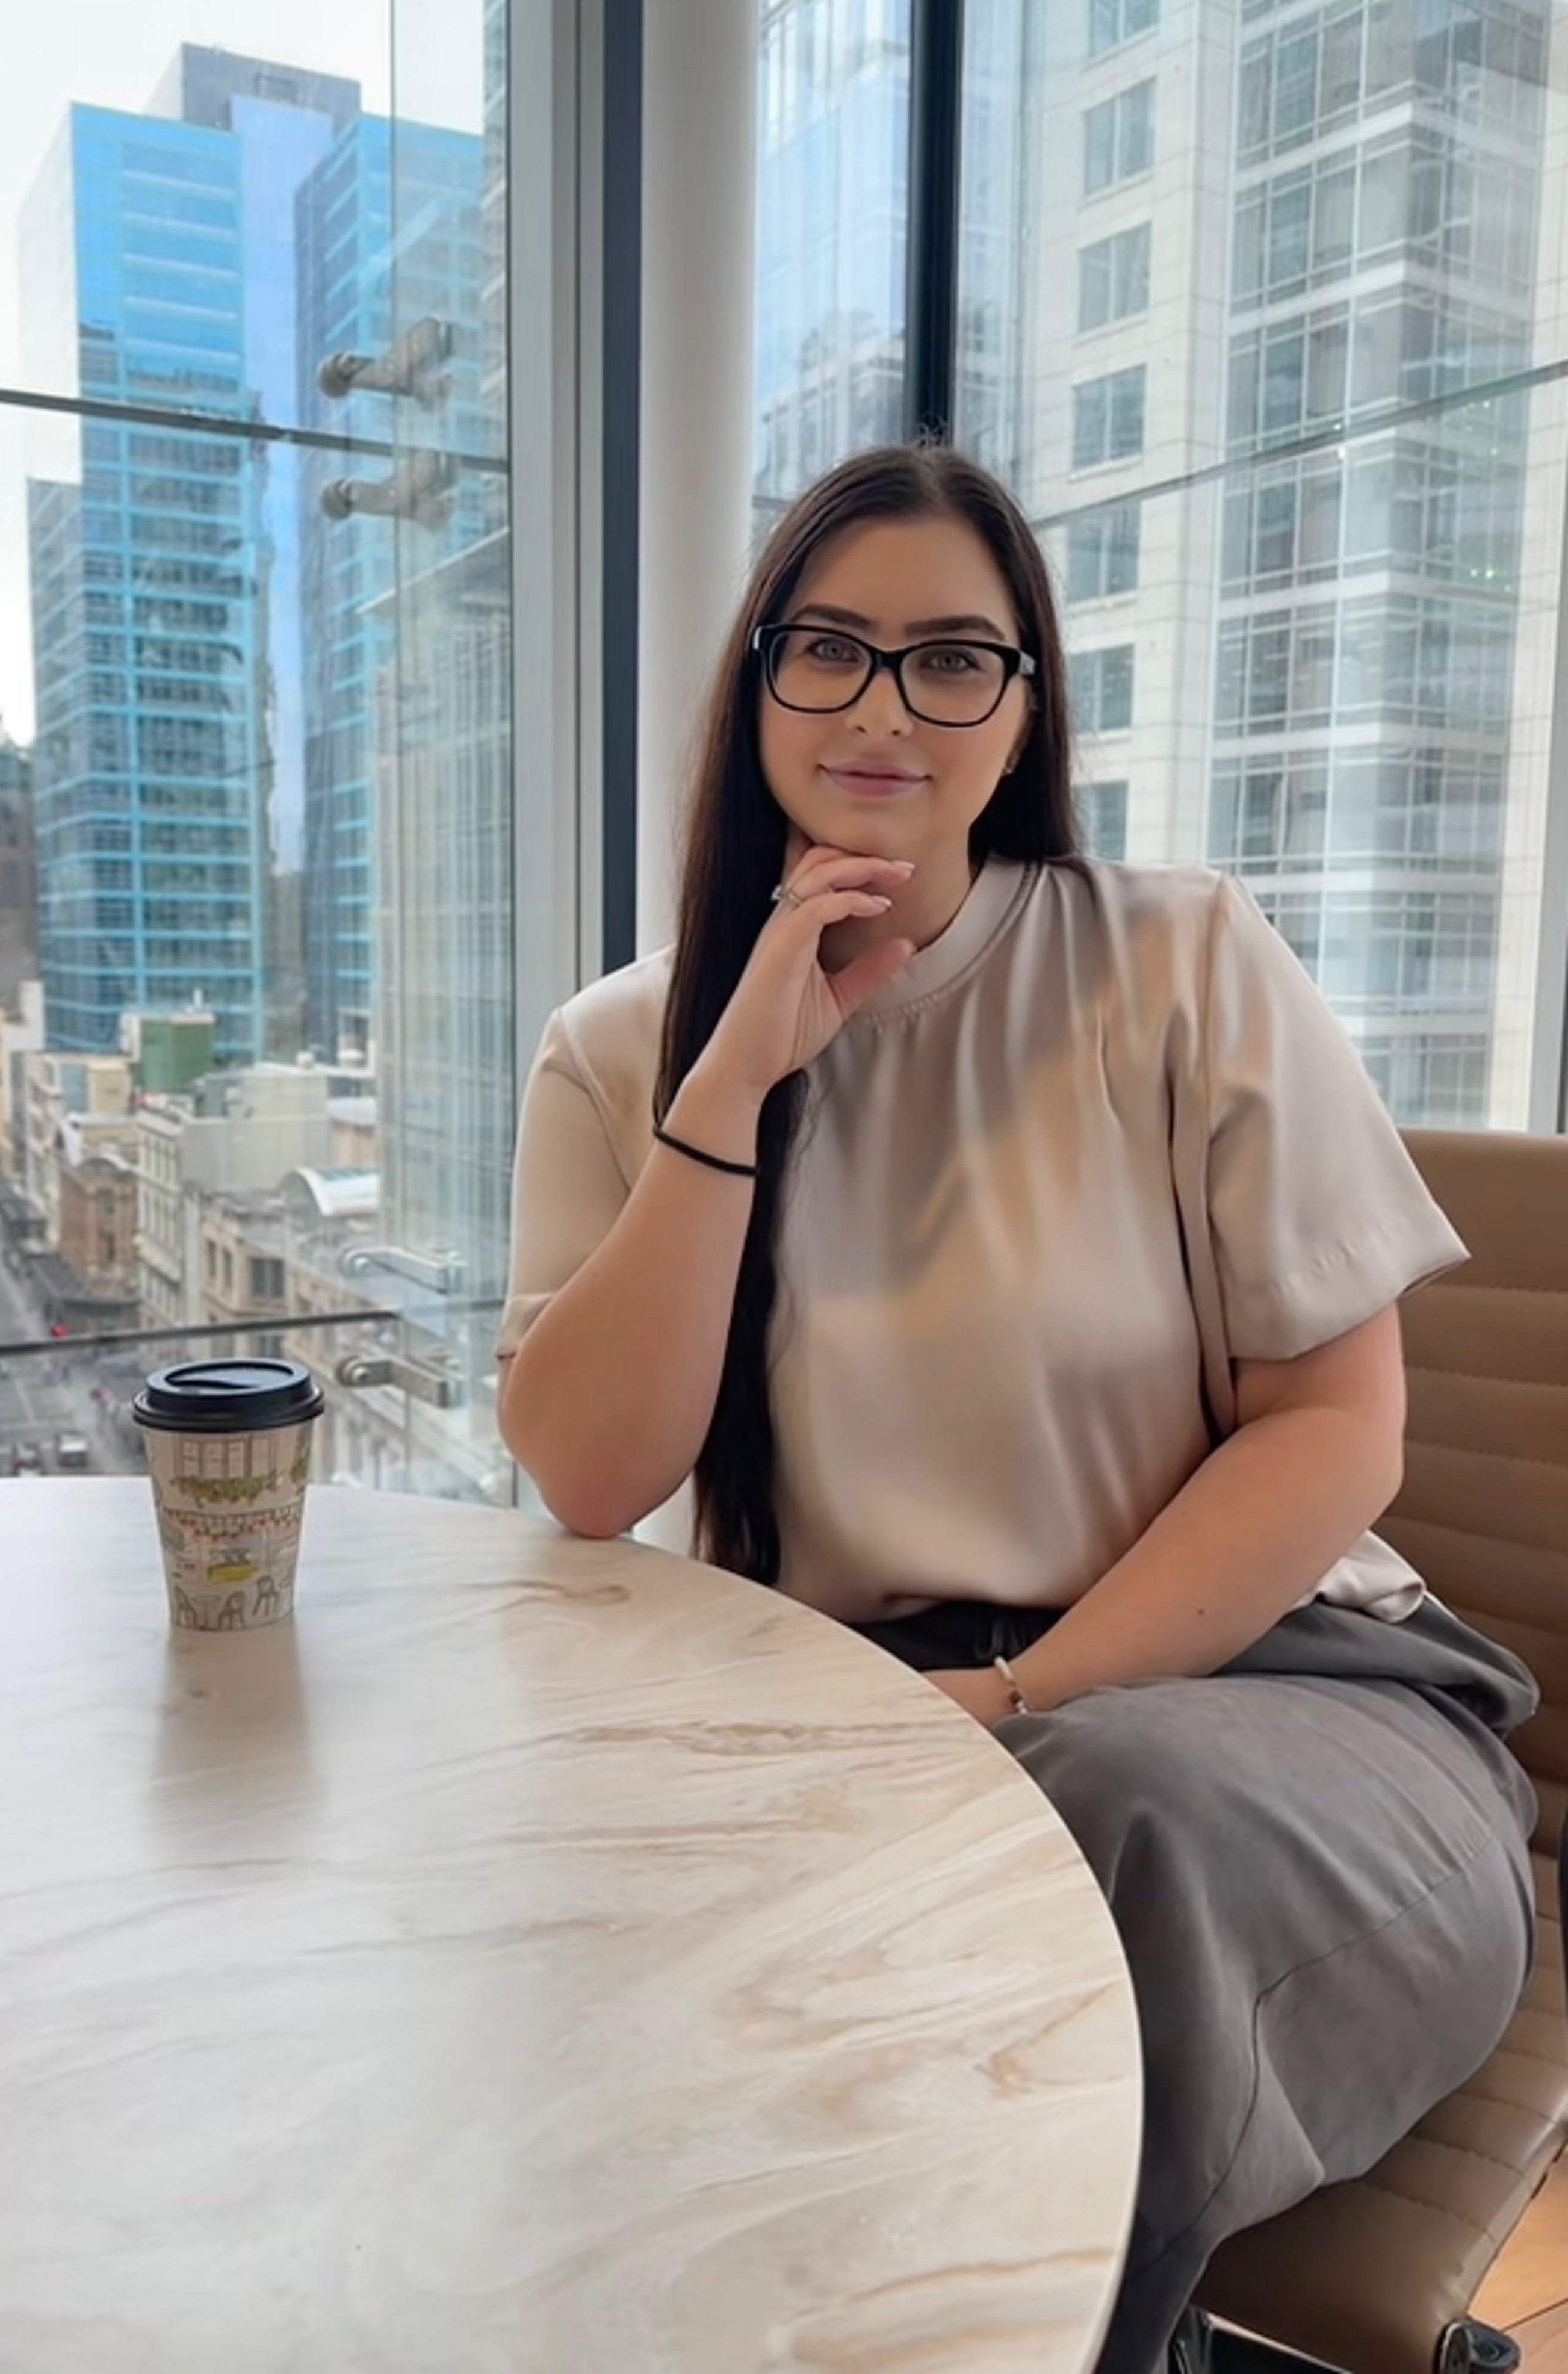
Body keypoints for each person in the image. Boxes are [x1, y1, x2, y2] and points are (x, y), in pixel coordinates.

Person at [495, 444, 1538, 2374]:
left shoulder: (1177, 959)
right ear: (755, 686)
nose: (888, 705)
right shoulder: (622, 1048)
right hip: (874, 1738)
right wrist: (725, 1091)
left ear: (1023, 711)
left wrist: (1011, 1704)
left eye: (954, 659)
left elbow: (1338, 1430)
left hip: (1290, 1719)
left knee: (1093, 1828)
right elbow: (586, 1473)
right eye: (831, 649)